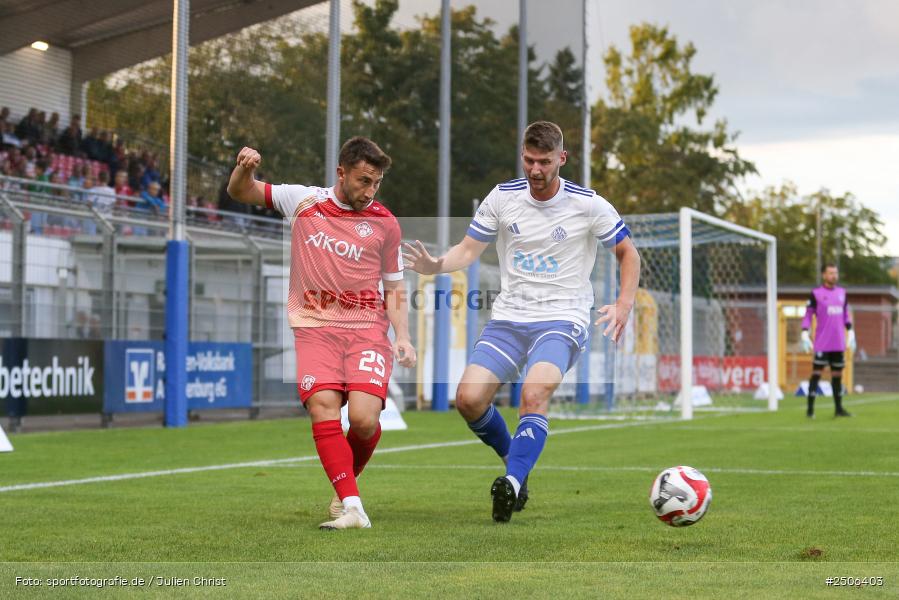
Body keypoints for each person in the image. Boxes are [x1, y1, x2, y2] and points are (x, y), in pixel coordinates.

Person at [403, 121, 641, 523]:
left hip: (562, 318)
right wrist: (436, 265)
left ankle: (511, 483)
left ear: (561, 159)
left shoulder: (588, 204)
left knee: (533, 394)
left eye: (544, 162)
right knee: (468, 399)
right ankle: (516, 459)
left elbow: (628, 254)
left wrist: (623, 304)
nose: (535, 170)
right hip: (510, 318)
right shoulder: (503, 196)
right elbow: (467, 249)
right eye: (529, 160)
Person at [226, 137, 416, 530]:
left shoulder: (385, 223)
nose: (369, 191)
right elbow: (240, 190)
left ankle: (346, 483)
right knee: (323, 407)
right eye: (364, 180)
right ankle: (352, 505)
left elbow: (395, 289)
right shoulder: (302, 200)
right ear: (341, 173)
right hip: (315, 329)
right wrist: (245, 168)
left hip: (366, 330)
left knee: (363, 421)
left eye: (376, 183)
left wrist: (403, 336)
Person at [800, 263, 855, 418]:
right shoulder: (816, 294)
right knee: (816, 374)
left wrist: (850, 330)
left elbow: (845, 315)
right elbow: (808, 315)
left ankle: (839, 409)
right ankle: (810, 410)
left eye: (836, 273)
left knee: (837, 375)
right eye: (831, 273)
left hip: (838, 343)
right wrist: (805, 332)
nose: (834, 276)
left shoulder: (842, 293)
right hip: (822, 343)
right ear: (824, 275)